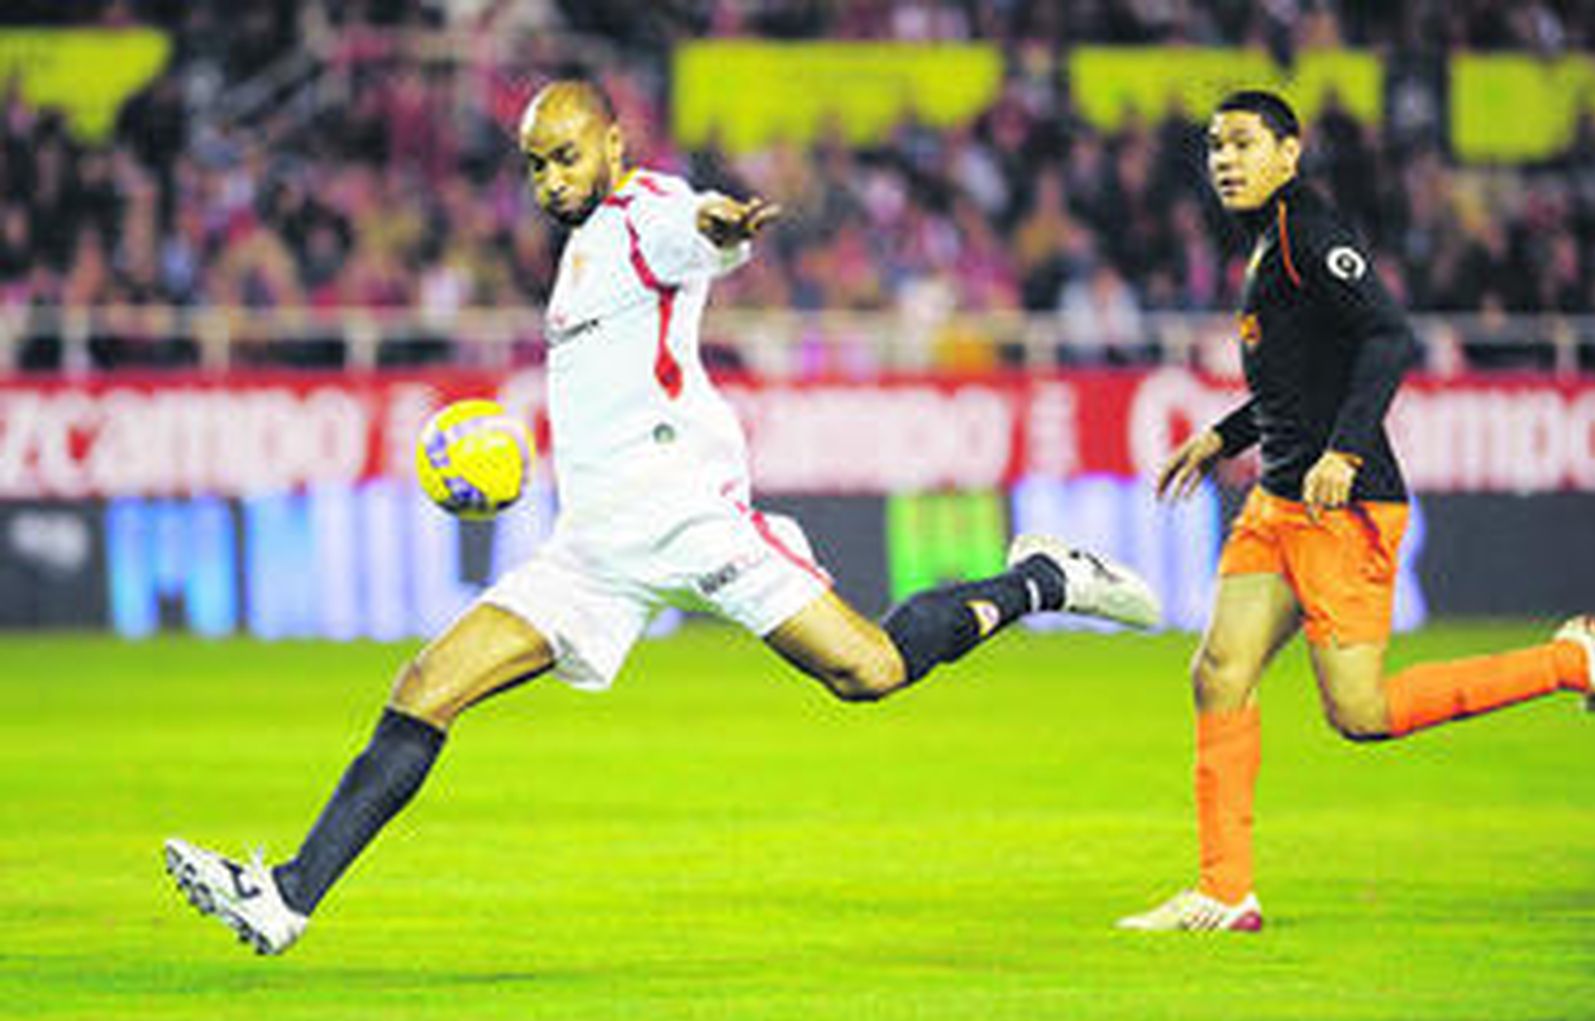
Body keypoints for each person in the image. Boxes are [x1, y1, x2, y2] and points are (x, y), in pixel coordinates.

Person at [162, 80, 1162, 955]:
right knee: (427, 684)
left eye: (566, 156)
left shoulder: (645, 212)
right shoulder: (581, 249)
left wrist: (722, 223)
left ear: (613, 144)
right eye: (534, 164)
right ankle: (287, 896)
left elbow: (700, 226)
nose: (549, 179)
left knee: (870, 671)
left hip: (692, 521)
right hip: (592, 551)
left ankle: (1045, 578)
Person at [1118, 90, 1595, 933]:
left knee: (1361, 713)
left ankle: (1573, 658)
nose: (1224, 159)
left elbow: (1388, 335)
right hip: (1278, 500)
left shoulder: (1308, 233)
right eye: (1215, 146)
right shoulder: (1267, 240)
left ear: (1289, 153)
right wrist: (1224, 436)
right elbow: (1299, 379)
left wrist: (1342, 452)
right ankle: (1226, 891)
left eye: (1243, 143)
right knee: (1218, 672)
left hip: (1342, 504)